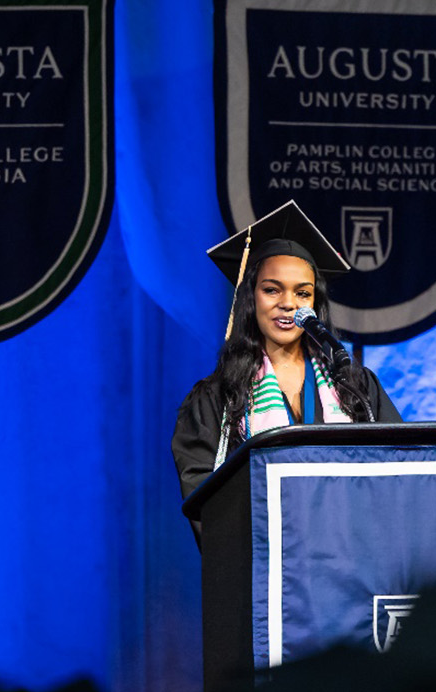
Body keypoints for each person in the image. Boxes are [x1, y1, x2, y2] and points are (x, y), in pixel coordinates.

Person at [171, 201, 401, 512]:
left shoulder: (354, 387)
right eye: (272, 290)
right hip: (265, 551)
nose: (288, 303)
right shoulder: (219, 398)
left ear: (314, 304)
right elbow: (206, 501)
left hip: (350, 548)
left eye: (302, 293)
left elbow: (396, 469)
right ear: (250, 298)